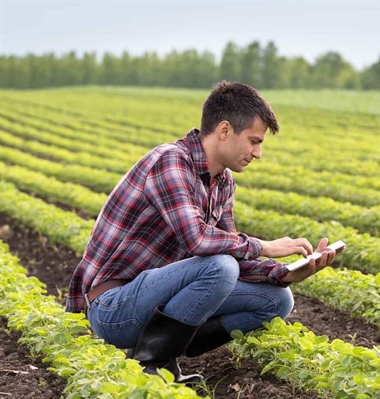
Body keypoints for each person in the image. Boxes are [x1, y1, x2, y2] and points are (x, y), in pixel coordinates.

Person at [65, 81, 341, 383]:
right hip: (114, 308)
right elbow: (198, 240)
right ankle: (154, 364)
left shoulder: (222, 182)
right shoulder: (170, 161)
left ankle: (170, 344)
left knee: (278, 300)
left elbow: (230, 251)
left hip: (157, 299)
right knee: (218, 267)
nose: (258, 153)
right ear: (224, 130)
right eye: (253, 141)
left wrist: (286, 273)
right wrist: (265, 246)